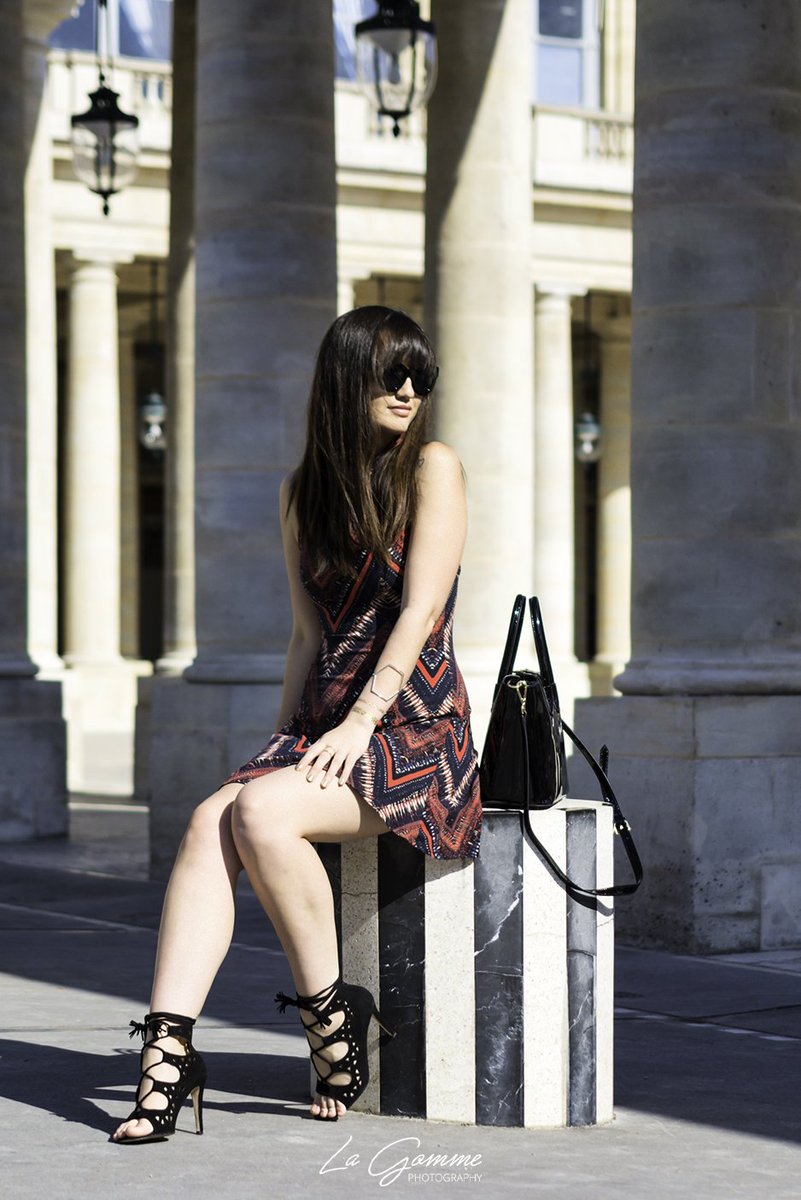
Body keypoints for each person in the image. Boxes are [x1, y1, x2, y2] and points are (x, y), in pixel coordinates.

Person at [111, 305, 483, 1142]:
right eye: (393, 373)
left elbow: (421, 609)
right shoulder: (299, 494)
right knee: (213, 819)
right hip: (327, 731)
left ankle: (330, 1022)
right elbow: (306, 634)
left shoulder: (432, 467)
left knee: (262, 813)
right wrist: (277, 746)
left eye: (421, 375)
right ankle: (167, 1056)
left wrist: (357, 723)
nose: (410, 389)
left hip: (416, 733)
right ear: (348, 379)